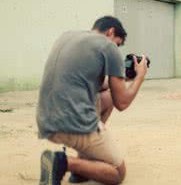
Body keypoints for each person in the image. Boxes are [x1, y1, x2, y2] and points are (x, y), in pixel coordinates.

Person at [36, 16, 148, 185]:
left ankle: (83, 168)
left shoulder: (67, 36)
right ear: (110, 32)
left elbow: (90, 83)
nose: (116, 48)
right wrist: (140, 77)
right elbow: (122, 103)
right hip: (72, 124)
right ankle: (62, 162)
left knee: (109, 95)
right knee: (118, 172)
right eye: (117, 43)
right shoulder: (108, 46)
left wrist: (121, 80)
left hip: (46, 120)